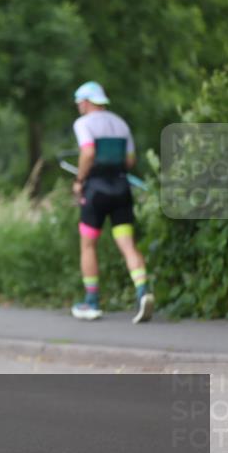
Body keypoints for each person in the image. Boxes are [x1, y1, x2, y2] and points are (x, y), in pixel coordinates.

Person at [69, 81, 154, 323]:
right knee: (127, 244)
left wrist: (79, 179)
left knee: (88, 244)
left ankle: (92, 302)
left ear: (86, 102)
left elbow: (88, 153)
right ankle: (142, 291)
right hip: (121, 189)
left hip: (95, 191)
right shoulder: (121, 124)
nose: (79, 108)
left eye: (79, 104)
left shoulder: (83, 124)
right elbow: (129, 161)